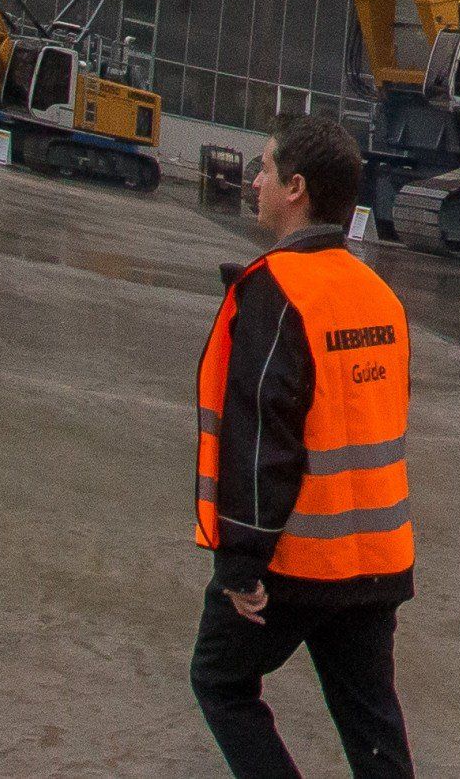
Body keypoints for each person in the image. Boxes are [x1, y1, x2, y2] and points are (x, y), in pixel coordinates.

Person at [191, 114, 418, 779]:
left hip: (295, 561)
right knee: (371, 722)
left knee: (221, 681)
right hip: (376, 560)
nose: (254, 179)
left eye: (264, 168)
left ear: (295, 188)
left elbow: (264, 441)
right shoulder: (382, 298)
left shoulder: (275, 292)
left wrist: (240, 562)